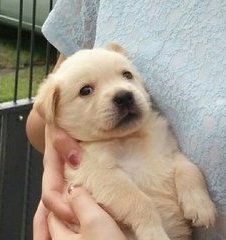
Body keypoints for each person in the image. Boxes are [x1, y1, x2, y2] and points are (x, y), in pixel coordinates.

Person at [26, 0, 226, 239]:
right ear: (54, 108)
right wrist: (146, 221)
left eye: (126, 75)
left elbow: (174, 158)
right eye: (86, 91)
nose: (122, 93)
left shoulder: (154, 127)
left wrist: (191, 184)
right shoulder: (89, 153)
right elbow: (104, 184)